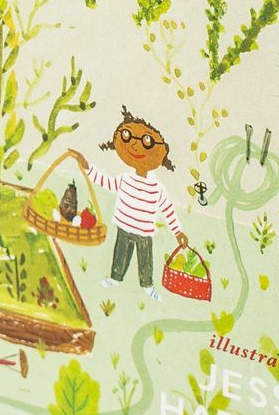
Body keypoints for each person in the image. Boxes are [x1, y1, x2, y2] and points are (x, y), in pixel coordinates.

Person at [69, 107, 189, 300]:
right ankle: (115, 278)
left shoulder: (156, 188)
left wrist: (178, 232)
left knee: (145, 261)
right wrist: (87, 166)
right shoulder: (125, 179)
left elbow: (167, 210)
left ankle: (148, 285)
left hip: (143, 232)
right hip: (124, 226)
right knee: (120, 254)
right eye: (127, 137)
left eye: (146, 142)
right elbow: (105, 181)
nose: (136, 147)